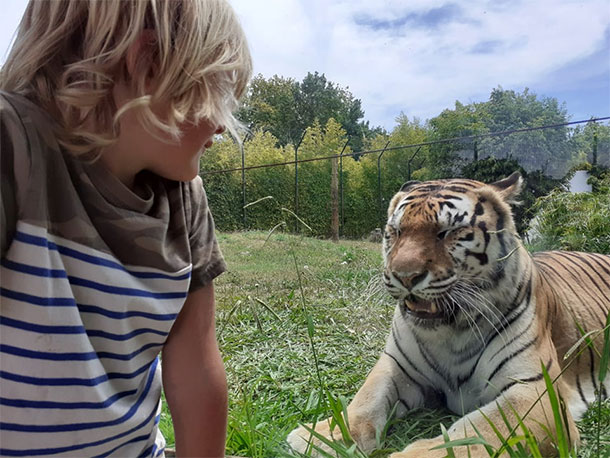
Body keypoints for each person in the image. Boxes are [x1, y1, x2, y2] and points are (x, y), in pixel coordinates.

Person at [0, 0, 252, 456]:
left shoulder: (185, 200)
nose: (222, 124)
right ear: (148, 62)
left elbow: (196, 366)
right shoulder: (12, 146)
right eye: (220, 91)